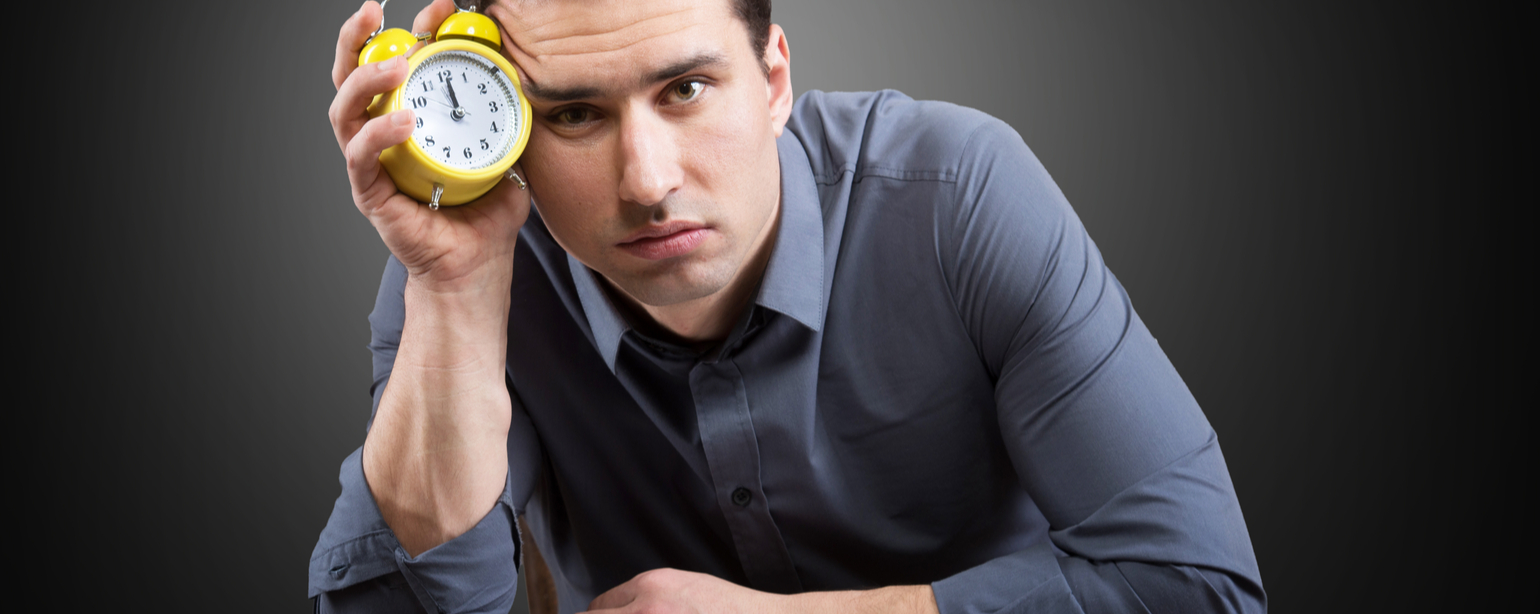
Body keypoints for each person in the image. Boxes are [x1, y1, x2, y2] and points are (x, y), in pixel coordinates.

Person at [310, 0, 1266, 612]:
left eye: (685, 88)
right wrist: (455, 294)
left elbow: (1194, 584)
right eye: (572, 114)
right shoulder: (469, 264)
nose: (646, 182)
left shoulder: (957, 193)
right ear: (507, 128)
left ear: (773, 80)